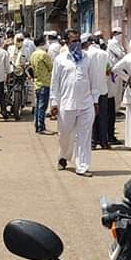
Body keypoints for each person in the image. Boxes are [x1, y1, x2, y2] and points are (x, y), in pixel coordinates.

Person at [51, 30, 104, 177]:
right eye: (73, 41)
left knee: (84, 137)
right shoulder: (60, 60)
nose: (76, 44)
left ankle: (82, 166)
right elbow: (55, 82)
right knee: (65, 136)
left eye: (78, 41)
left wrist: (95, 101)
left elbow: (94, 81)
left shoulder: (87, 58)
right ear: (66, 43)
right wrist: (54, 102)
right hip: (66, 104)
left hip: (86, 104)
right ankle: (63, 156)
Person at [87, 33, 113, 149]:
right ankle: (104, 142)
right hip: (102, 89)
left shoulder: (86, 55)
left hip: (89, 90)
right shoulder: (105, 54)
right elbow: (109, 70)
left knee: (91, 117)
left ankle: (92, 142)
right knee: (103, 116)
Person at [30, 36, 53, 135]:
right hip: (45, 83)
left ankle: (37, 125)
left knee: (38, 106)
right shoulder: (44, 54)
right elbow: (51, 67)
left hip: (37, 82)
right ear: (42, 43)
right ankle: (41, 127)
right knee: (42, 107)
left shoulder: (33, 54)